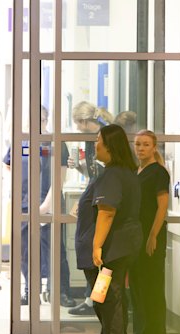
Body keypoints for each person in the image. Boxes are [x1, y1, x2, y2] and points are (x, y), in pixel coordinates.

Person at [76, 124, 141, 334]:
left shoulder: (112, 174)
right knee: (113, 296)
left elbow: (107, 212)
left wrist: (96, 246)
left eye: (98, 141)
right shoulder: (124, 172)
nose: (95, 145)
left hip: (111, 248)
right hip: (121, 245)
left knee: (106, 297)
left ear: (109, 146)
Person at [3, 106, 74, 308]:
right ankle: (29, 290)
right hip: (24, 205)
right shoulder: (20, 141)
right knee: (25, 252)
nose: (36, 124)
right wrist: (17, 195)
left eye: (40, 120)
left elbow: (59, 177)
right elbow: (8, 166)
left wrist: (45, 205)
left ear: (46, 120)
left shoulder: (56, 143)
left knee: (54, 250)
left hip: (49, 204)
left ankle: (59, 292)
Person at [67, 101, 115, 316]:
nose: (77, 128)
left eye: (78, 124)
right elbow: (95, 174)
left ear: (85, 122)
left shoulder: (103, 138)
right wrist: (79, 166)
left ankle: (96, 299)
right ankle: (93, 298)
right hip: (96, 197)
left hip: (102, 202)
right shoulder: (92, 140)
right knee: (90, 251)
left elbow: (102, 175)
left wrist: (88, 197)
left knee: (93, 251)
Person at [129, 129, 169, 334]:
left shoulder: (158, 172)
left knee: (151, 287)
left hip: (150, 236)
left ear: (154, 147)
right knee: (138, 286)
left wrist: (153, 235)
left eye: (145, 144)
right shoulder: (138, 171)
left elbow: (162, 206)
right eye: (138, 144)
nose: (141, 148)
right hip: (137, 236)